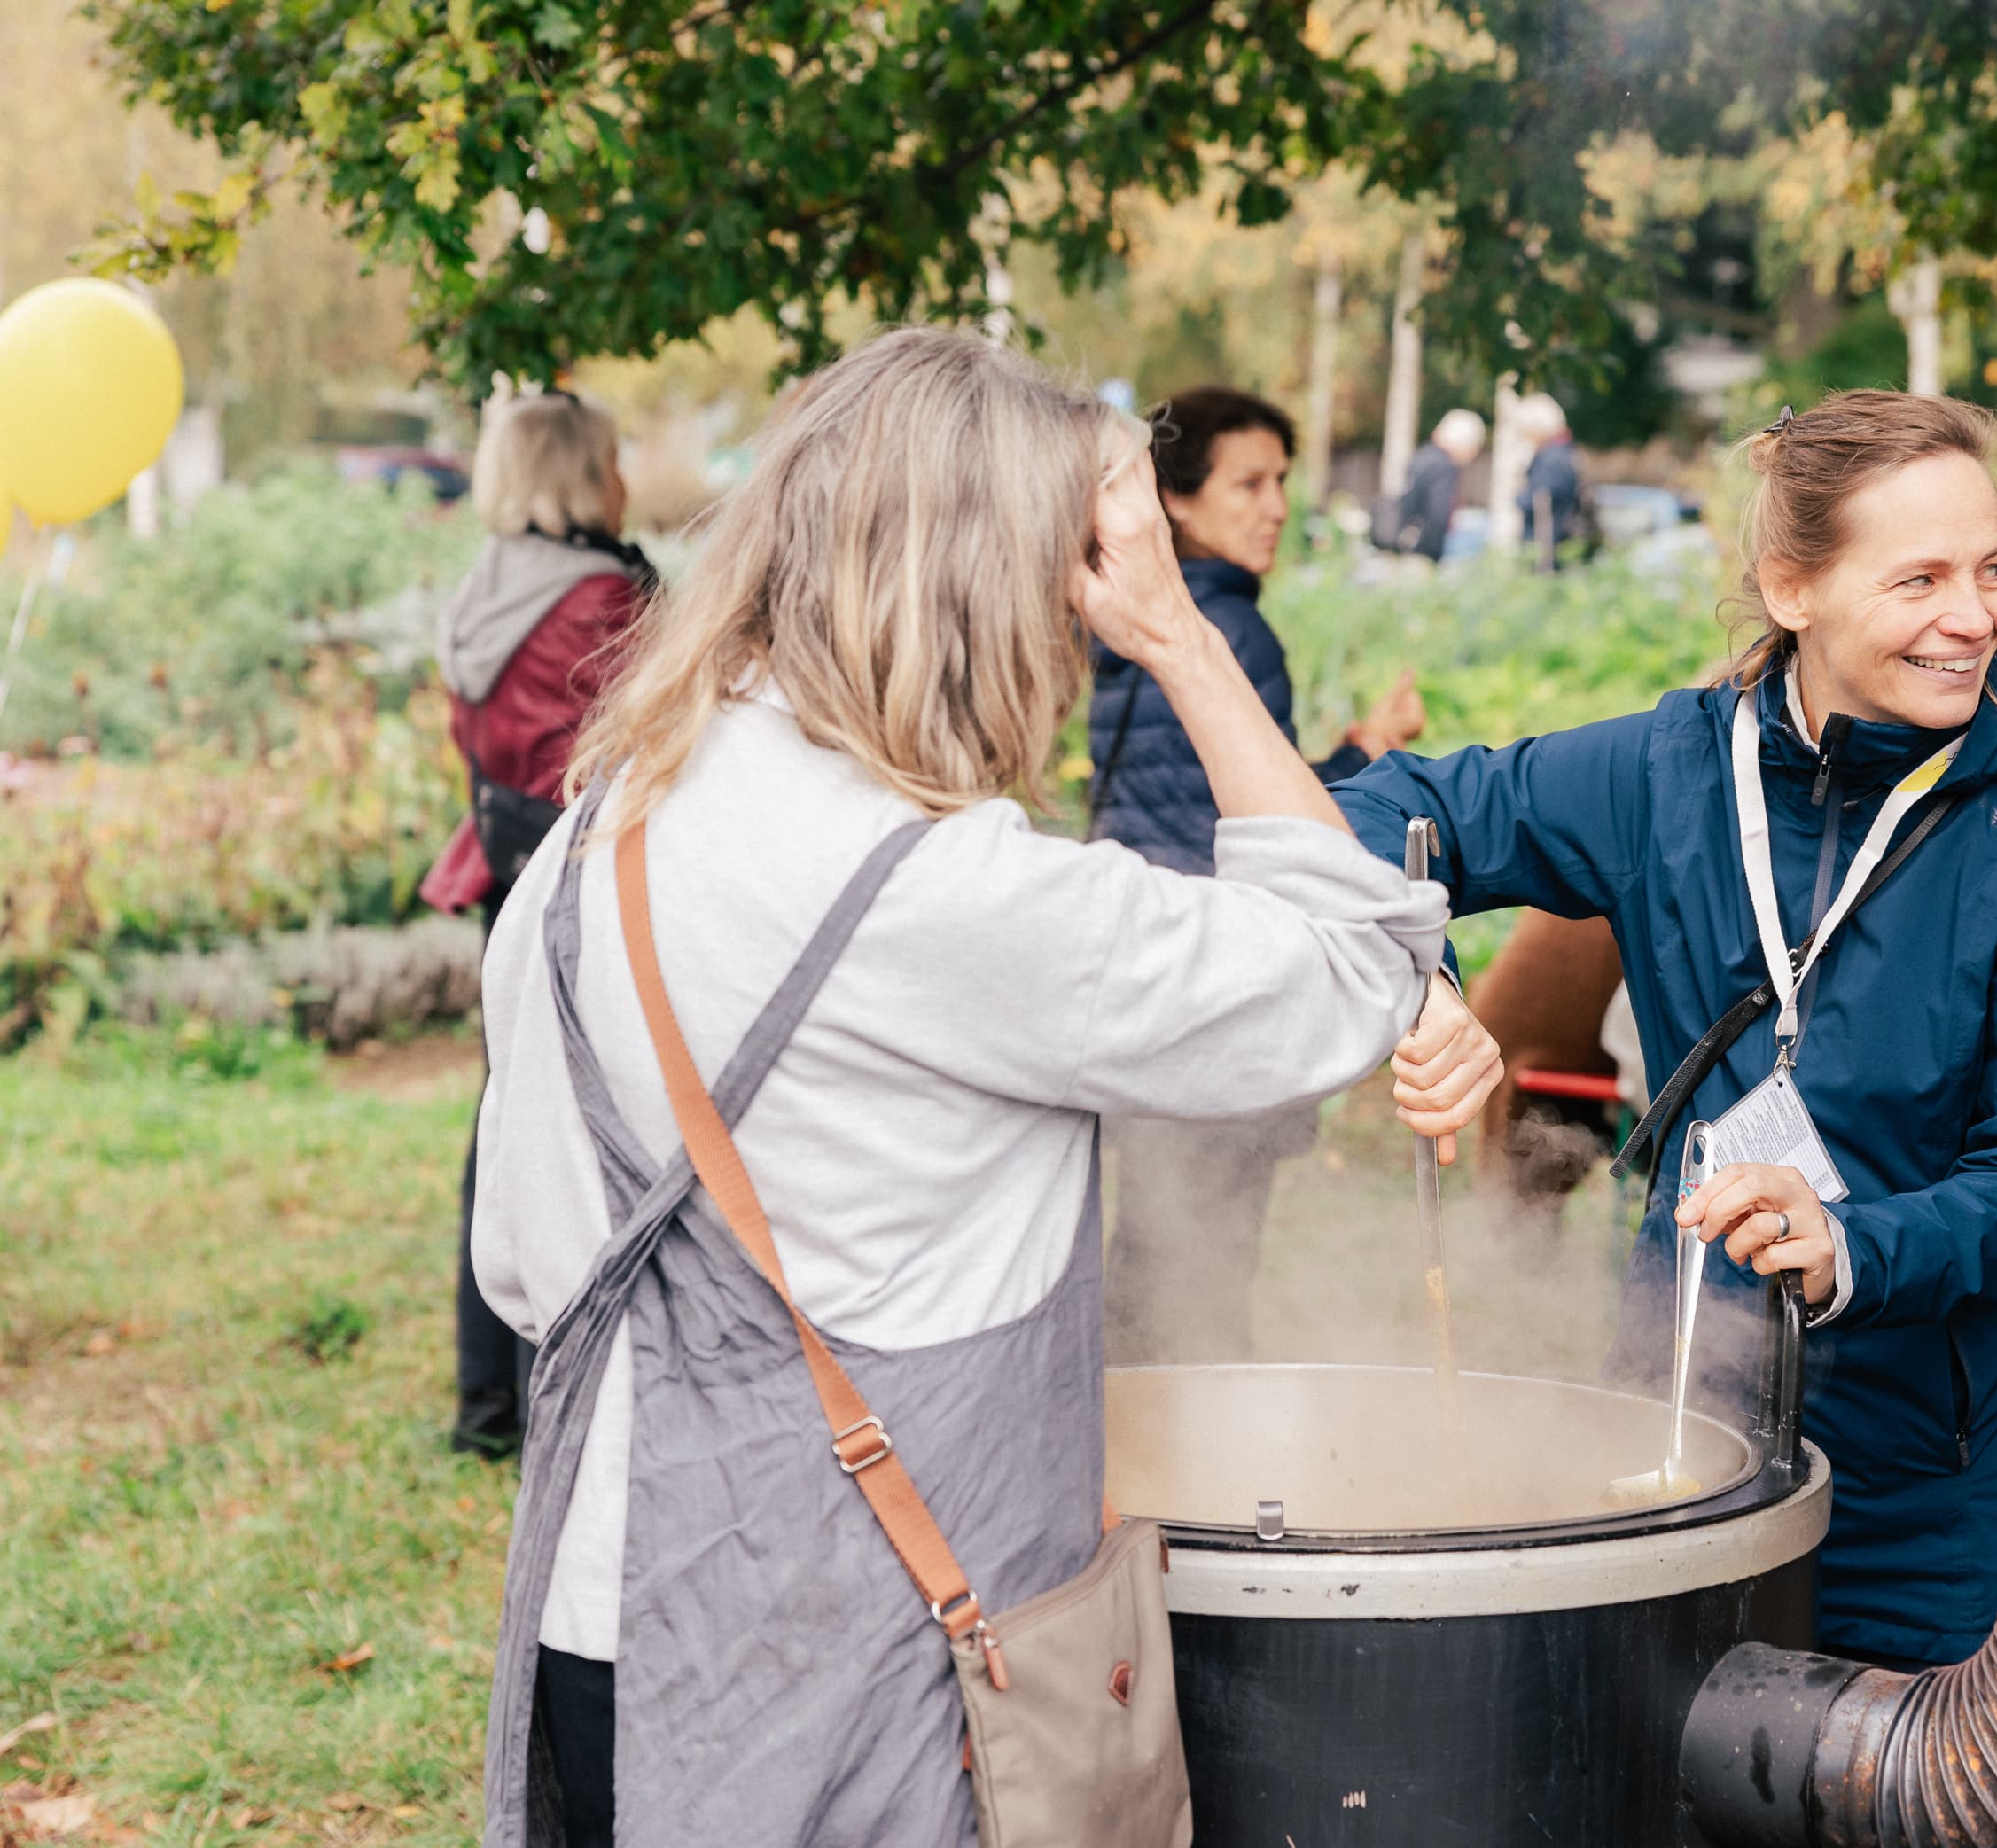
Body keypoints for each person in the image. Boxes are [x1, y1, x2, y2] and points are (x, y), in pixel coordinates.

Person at [468, 330, 1459, 1845]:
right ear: (997, 595)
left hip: (604, 1617)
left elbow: (524, 1266)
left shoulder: (604, 830)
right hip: (854, 1669)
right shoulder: (947, 900)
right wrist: (1179, 635)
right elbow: (1347, 967)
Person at [1340, 391, 1997, 1670]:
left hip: (1927, 1483)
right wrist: (1418, 977)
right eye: (1922, 577)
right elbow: (1375, 812)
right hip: (1676, 1434)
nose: (1976, 615)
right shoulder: (1669, 772)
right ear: (1792, 588)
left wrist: (1849, 1245)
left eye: (1991, 569)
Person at [1088, 384, 1431, 1362]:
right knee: (1195, 1277)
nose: (1276, 505)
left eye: (1281, 481)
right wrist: (1366, 763)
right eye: (1248, 483)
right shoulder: (1228, 634)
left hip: (1142, 969)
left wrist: (1354, 745)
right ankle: (1184, 1477)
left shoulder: (1124, 626)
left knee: (1155, 1256)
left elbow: (1207, 792)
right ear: (1178, 503)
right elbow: (1259, 830)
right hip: (1211, 984)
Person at [420, 389, 654, 1458]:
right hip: (587, 877)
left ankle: (488, 1405)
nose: (626, 481)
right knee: (584, 1134)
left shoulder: (484, 589)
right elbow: (646, 742)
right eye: (610, 460)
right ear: (579, 471)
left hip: (500, 858)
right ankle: (555, 1391)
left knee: (508, 1111)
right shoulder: (603, 597)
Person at [1378, 406, 1486, 561]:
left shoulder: (1424, 455)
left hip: (1406, 540)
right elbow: (1438, 513)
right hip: (1423, 549)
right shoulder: (1444, 466)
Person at [1517, 392, 1587, 567]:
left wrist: (1519, 498)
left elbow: (1541, 501)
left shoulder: (1551, 458)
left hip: (1547, 546)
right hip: (1556, 539)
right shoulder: (1563, 452)